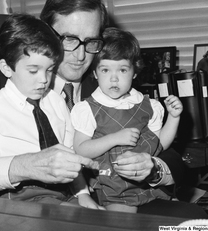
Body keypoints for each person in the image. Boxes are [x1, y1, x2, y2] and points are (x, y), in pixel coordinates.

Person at [0, 0, 207, 218]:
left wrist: (154, 169)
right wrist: (24, 165)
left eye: (91, 41)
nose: (80, 55)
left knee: (193, 220)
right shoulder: (10, 85)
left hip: (121, 197)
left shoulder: (107, 79)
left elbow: (163, 146)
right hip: (43, 206)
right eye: (69, 40)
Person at [0, 13, 98, 207]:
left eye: (49, 70)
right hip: (18, 197)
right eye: (33, 71)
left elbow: (69, 155)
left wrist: (82, 194)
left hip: (63, 192)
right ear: (6, 68)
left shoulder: (55, 102)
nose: (44, 80)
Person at [71, 28, 183, 213]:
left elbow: (159, 145)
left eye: (122, 70)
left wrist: (174, 117)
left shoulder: (149, 105)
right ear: (95, 73)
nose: (114, 78)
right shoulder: (88, 109)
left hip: (150, 186)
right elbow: (81, 149)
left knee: (177, 216)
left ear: (135, 72)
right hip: (115, 190)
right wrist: (114, 138)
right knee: (124, 223)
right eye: (105, 69)